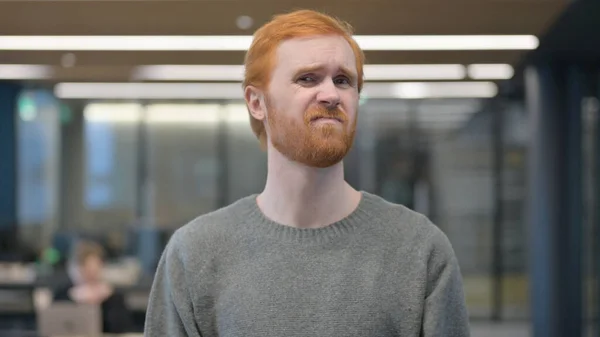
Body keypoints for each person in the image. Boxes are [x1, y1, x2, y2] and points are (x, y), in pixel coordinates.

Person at [144, 9, 470, 337]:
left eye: (343, 80)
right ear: (257, 103)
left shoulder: (419, 250)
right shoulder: (195, 254)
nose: (330, 95)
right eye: (307, 78)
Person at [53, 240, 134, 333]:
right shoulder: (63, 294)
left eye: (95, 269)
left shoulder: (114, 297)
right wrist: (75, 299)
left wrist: (102, 301)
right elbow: (55, 326)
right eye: (87, 269)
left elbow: (122, 329)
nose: (91, 274)